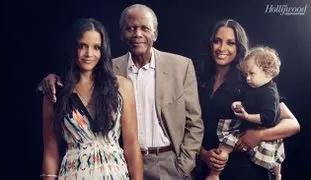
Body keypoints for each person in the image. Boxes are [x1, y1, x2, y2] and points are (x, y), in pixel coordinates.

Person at [38, 4, 204, 180]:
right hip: (113, 165)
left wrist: (183, 167)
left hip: (167, 164)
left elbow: (194, 123)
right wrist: (52, 79)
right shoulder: (109, 71)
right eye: (131, 28)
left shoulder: (179, 67)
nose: (137, 34)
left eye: (144, 28)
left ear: (155, 33)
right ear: (122, 35)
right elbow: (51, 149)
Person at [193, 19, 300, 180]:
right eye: (217, 41)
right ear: (211, 44)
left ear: (239, 47)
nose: (222, 48)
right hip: (206, 168)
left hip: (245, 170)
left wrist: (258, 135)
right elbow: (186, 124)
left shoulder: (251, 80)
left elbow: (293, 124)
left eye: (230, 43)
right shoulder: (199, 77)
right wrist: (204, 154)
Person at [41, 18, 143, 180]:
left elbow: (131, 146)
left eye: (96, 47)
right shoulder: (55, 91)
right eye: (82, 46)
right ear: (73, 48)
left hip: (115, 174)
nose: (89, 54)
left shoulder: (121, 86)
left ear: (103, 51)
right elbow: (51, 153)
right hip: (73, 174)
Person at [207, 46, 285, 180]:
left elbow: (269, 118)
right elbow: (248, 102)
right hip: (247, 128)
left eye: (252, 74)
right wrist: (238, 104)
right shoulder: (253, 86)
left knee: (276, 156)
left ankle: (277, 174)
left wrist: (247, 116)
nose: (248, 78)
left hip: (262, 128)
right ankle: (214, 174)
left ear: (267, 73)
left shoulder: (270, 93)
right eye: (246, 74)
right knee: (224, 146)